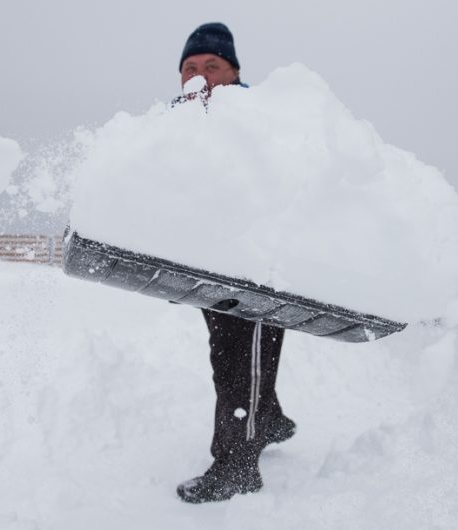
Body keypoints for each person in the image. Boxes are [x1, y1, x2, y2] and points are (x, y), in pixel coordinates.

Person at [172, 22, 296, 504]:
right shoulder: (174, 123)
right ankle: (269, 419)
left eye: (211, 66)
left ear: (233, 72)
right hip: (210, 265)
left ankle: (237, 467)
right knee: (231, 355)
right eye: (190, 68)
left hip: (258, 267)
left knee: (240, 361)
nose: (200, 76)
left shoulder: (258, 117)